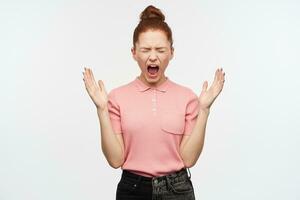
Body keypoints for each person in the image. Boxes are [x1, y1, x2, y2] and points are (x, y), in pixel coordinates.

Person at [82, 5, 225, 200]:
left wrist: (204, 110)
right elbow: (115, 160)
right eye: (145, 50)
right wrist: (102, 110)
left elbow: (188, 158)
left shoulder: (187, 97)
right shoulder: (117, 97)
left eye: (160, 50)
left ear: (171, 52)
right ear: (134, 52)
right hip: (132, 189)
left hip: (177, 190)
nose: (152, 56)